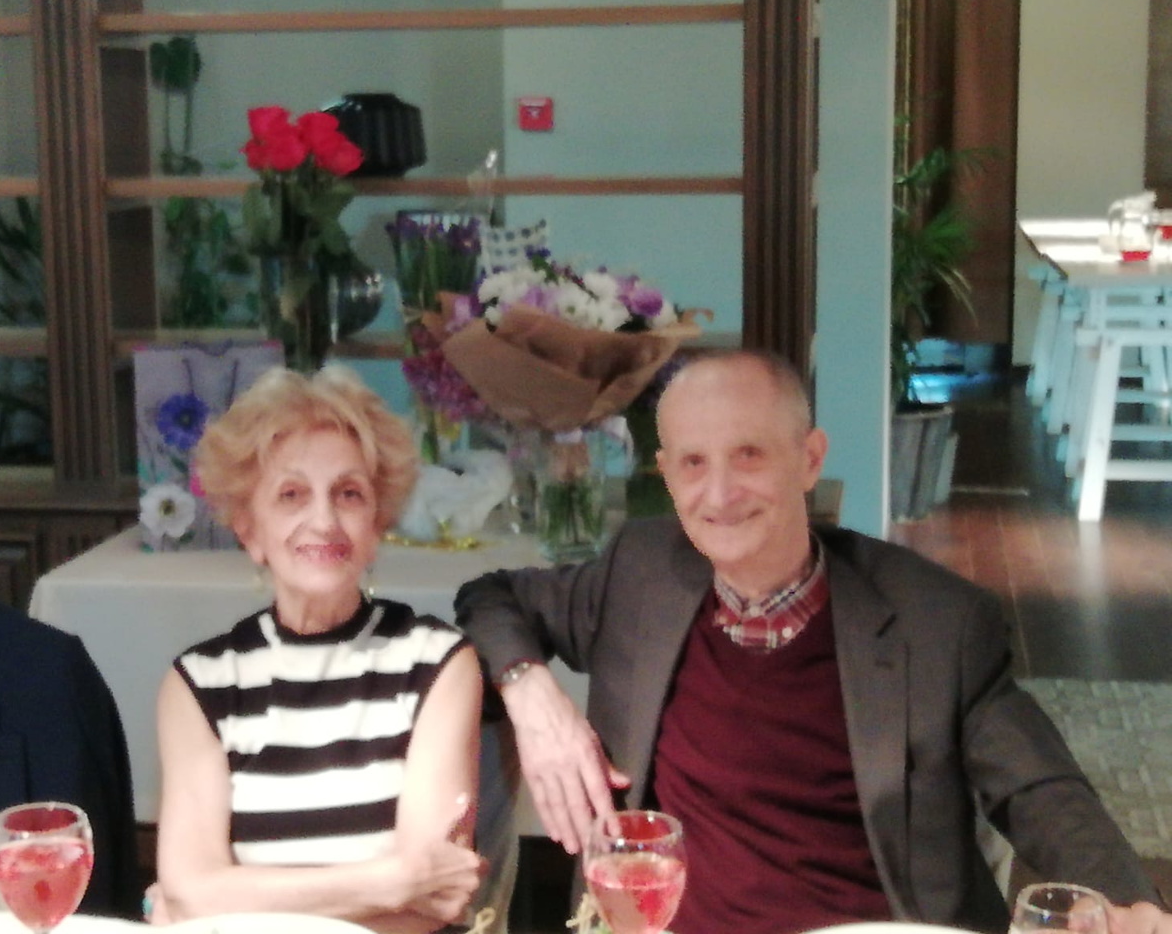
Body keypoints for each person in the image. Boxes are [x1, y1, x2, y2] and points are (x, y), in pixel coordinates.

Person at [455, 350, 1170, 934]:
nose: (720, 493)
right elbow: (490, 598)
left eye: (749, 455)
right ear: (666, 475)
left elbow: (1039, 787)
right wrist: (531, 692)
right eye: (694, 463)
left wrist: (1128, 904)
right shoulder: (640, 573)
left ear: (808, 458)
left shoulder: (935, 621)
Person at [147, 365, 486, 933]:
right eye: (291, 495)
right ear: (249, 530)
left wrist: (227, 903)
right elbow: (192, 895)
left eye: (349, 494)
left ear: (376, 526)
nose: (323, 520)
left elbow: (433, 906)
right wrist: (390, 883)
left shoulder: (437, 663)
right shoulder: (199, 685)